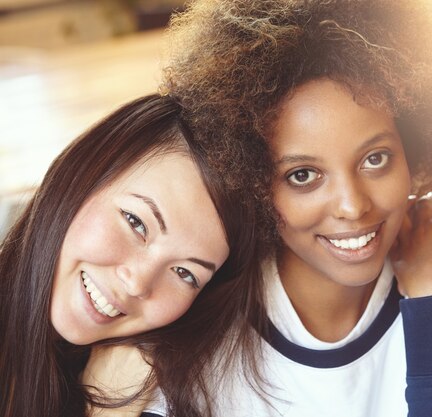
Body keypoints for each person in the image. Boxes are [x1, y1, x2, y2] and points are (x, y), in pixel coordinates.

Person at [149, 0, 432, 416]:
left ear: (413, 146)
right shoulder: (195, 316)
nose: (353, 206)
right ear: (248, 179)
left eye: (376, 158)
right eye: (303, 175)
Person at [0, 94, 265, 417]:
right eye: (136, 222)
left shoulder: (151, 378)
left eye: (185, 273)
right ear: (80, 174)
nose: (139, 282)